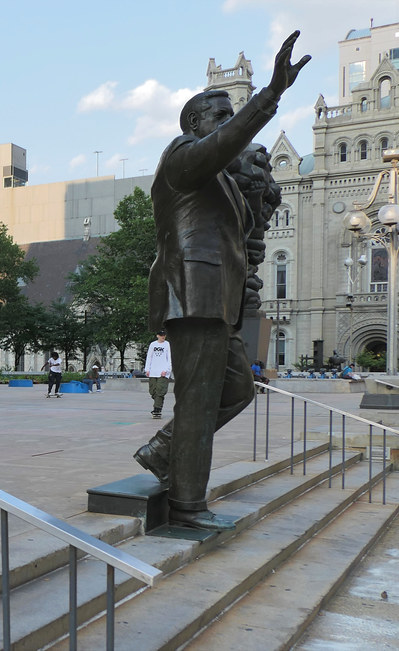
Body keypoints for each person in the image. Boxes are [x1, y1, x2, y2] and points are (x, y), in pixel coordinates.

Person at [132, 32, 310, 531]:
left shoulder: (223, 183)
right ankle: (188, 505)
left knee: (236, 389)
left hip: (219, 300)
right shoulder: (183, 157)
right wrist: (270, 95)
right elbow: (222, 147)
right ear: (195, 124)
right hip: (193, 293)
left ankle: (164, 449)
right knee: (201, 396)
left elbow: (244, 237)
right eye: (221, 118)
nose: (230, 127)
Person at [144, 331, 172, 417]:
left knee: (160, 390)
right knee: (152, 391)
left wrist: (167, 370)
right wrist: (147, 369)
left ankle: (157, 409)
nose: (163, 337)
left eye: (164, 335)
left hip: (162, 372)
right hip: (153, 371)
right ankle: (158, 405)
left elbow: (170, 358)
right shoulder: (153, 344)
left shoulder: (167, 344)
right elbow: (149, 357)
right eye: (161, 335)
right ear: (157, 336)